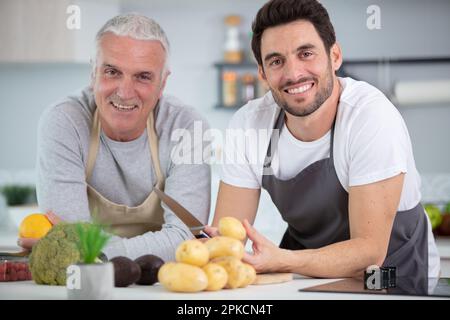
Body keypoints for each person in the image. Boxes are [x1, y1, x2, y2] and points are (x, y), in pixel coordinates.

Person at [209, 0, 440, 279]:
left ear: (335, 56)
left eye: (306, 53)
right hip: (306, 276)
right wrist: (207, 254)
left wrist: (282, 259)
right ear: (262, 73)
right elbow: (227, 238)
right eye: (276, 61)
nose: (293, 74)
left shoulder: (370, 117)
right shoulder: (249, 125)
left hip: (391, 276)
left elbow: (370, 252)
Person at [20, 13, 211, 262]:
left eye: (143, 76)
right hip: (87, 280)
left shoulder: (187, 128)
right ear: (93, 73)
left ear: (162, 84)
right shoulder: (64, 122)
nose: (124, 92)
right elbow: (67, 232)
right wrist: (160, 246)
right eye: (112, 72)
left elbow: (187, 240)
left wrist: (86, 248)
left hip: (163, 284)